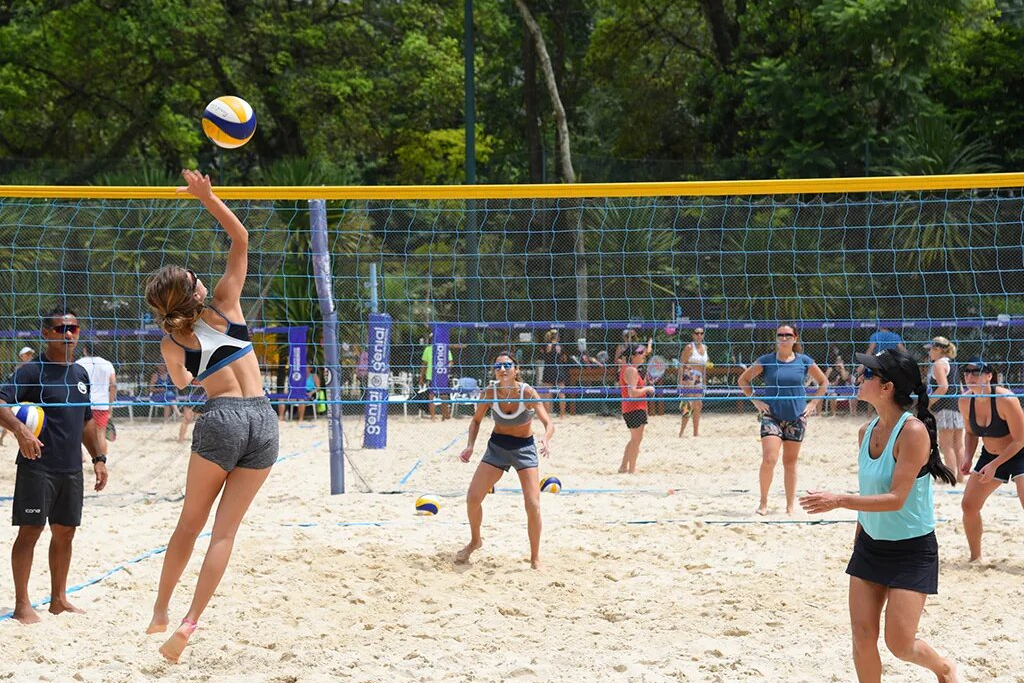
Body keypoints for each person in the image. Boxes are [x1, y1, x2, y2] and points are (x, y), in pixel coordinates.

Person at [142, 169, 278, 663]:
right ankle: (188, 623)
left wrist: (196, 370)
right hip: (264, 419)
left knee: (190, 524)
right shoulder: (227, 303)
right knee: (225, 533)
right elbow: (240, 237)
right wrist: (207, 197)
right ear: (196, 291)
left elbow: (182, 387)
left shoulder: (172, 339)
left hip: (221, 419)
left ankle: (160, 610)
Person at [800, 349, 959, 683]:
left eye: (868, 374)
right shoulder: (865, 432)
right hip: (871, 546)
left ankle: (944, 668)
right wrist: (859, 543)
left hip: (912, 550)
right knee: (861, 637)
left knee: (899, 644)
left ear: (887, 387)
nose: (859, 376)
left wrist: (839, 500)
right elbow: (871, 493)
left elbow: (896, 499)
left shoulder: (913, 431)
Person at [0, 307, 107, 624]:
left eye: (73, 328)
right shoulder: (33, 371)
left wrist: (99, 458)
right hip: (37, 466)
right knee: (30, 531)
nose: (69, 334)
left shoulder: (80, 374)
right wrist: (20, 432)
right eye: (61, 329)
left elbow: (87, 421)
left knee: (65, 533)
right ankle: (22, 605)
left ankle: (59, 599)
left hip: (71, 468)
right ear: (46, 333)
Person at [456, 352, 554, 569]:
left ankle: (535, 557)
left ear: (516, 369)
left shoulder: (527, 392)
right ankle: (475, 541)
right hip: (498, 446)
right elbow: (476, 420)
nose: (503, 369)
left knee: (533, 504)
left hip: (524, 447)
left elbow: (549, 423)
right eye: (498, 366)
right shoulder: (490, 392)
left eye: (507, 365)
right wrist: (470, 446)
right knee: (473, 497)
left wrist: (545, 440)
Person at [737, 324, 828, 515]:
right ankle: (763, 503)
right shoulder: (767, 360)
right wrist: (756, 401)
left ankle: (789, 506)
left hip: (796, 416)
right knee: (769, 459)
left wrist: (812, 404)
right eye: (780, 335)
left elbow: (823, 382)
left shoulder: (804, 361)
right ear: (776, 338)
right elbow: (743, 380)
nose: (784, 338)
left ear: (795, 338)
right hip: (772, 416)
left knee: (790, 463)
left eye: (788, 335)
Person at [957, 358, 1024, 562]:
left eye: (976, 372)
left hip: (1019, 452)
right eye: (966, 373)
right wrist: (968, 458)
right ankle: (975, 557)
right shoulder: (965, 400)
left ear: (989, 376)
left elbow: (1021, 439)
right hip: (990, 456)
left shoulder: (1006, 399)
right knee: (968, 506)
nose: (970, 377)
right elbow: (970, 434)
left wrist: (995, 465)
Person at [925, 336, 964, 483]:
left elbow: (943, 387)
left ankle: (951, 475)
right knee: (958, 443)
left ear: (938, 350)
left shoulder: (938, 364)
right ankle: (960, 476)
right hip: (957, 407)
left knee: (946, 444)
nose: (929, 353)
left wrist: (928, 402)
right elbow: (960, 388)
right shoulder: (952, 363)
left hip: (945, 408)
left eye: (930, 350)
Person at [618, 344, 657, 474]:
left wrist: (644, 385)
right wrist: (648, 389)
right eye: (640, 352)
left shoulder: (628, 369)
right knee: (636, 440)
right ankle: (632, 470)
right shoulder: (631, 370)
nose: (643, 354)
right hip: (634, 408)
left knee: (634, 439)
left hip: (632, 408)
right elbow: (632, 393)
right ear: (633, 356)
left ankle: (623, 467)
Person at [76, 343, 116, 453]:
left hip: (82, 403)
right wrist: (110, 405)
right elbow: (113, 385)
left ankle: (80, 458)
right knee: (100, 434)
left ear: (85, 350)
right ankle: (102, 461)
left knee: (77, 432)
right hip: (101, 404)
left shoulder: (78, 363)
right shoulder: (107, 364)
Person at [1, 347, 36, 446]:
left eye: (31, 354)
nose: (30, 356)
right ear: (22, 356)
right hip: (16, 397)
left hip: (27, 397)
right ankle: (2, 438)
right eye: (27, 354)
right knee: (9, 417)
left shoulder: (35, 367)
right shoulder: (19, 369)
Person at [678, 327, 708, 437]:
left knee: (698, 405)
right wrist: (681, 380)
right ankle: (681, 432)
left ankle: (696, 432)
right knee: (688, 404)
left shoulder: (705, 347)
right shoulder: (689, 347)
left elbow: (704, 367)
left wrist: (704, 380)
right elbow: (681, 364)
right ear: (693, 335)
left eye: (701, 333)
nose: (699, 335)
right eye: (696, 333)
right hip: (689, 376)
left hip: (699, 378)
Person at [419, 333, 453, 421]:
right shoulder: (428, 349)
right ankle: (433, 417)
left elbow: (450, 362)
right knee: (432, 396)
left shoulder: (444, 349)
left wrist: (446, 368)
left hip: (441, 375)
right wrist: (421, 378)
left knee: (443, 396)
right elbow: (424, 365)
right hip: (432, 376)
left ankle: (444, 416)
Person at [539, 329, 568, 417]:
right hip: (559, 369)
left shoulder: (546, 346)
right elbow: (564, 359)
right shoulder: (560, 346)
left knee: (547, 395)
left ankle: (547, 415)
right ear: (557, 336)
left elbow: (542, 356)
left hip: (549, 370)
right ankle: (562, 415)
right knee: (561, 394)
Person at [823, 348, 858, 417]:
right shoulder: (830, 369)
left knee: (854, 395)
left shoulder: (846, 369)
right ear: (835, 362)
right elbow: (824, 380)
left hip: (843, 389)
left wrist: (842, 368)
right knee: (833, 395)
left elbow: (845, 377)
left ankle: (853, 414)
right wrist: (832, 384)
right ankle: (833, 414)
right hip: (832, 389)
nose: (839, 362)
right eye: (837, 360)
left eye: (840, 360)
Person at [177, 380, 206, 444]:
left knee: (204, 421)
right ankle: (181, 440)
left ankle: (201, 440)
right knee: (186, 420)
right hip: (192, 396)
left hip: (203, 397)